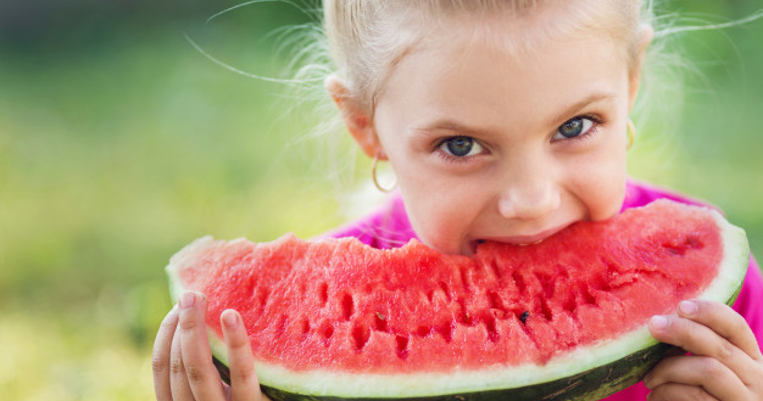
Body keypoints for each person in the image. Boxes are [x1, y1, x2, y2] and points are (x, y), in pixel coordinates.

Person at [152, 1, 763, 400]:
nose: (530, 200)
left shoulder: (711, 303)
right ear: (367, 127)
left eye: (575, 127)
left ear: (629, 89)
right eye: (462, 144)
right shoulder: (325, 340)